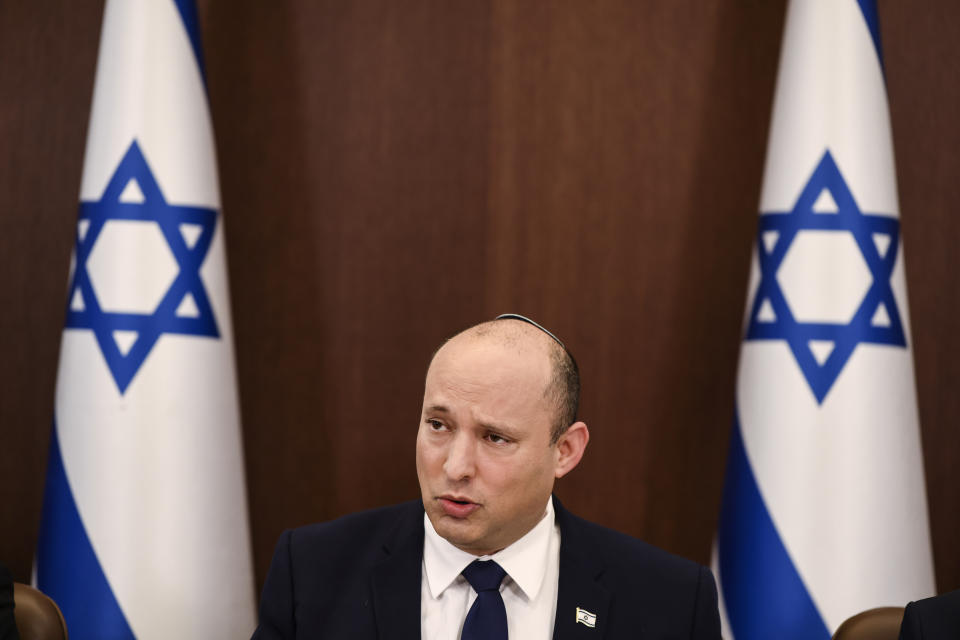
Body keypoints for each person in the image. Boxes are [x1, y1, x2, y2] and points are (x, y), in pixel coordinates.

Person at [252, 314, 720, 639]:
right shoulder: (313, 572)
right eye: (438, 425)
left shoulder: (670, 601)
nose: (455, 467)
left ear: (565, 451)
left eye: (494, 438)